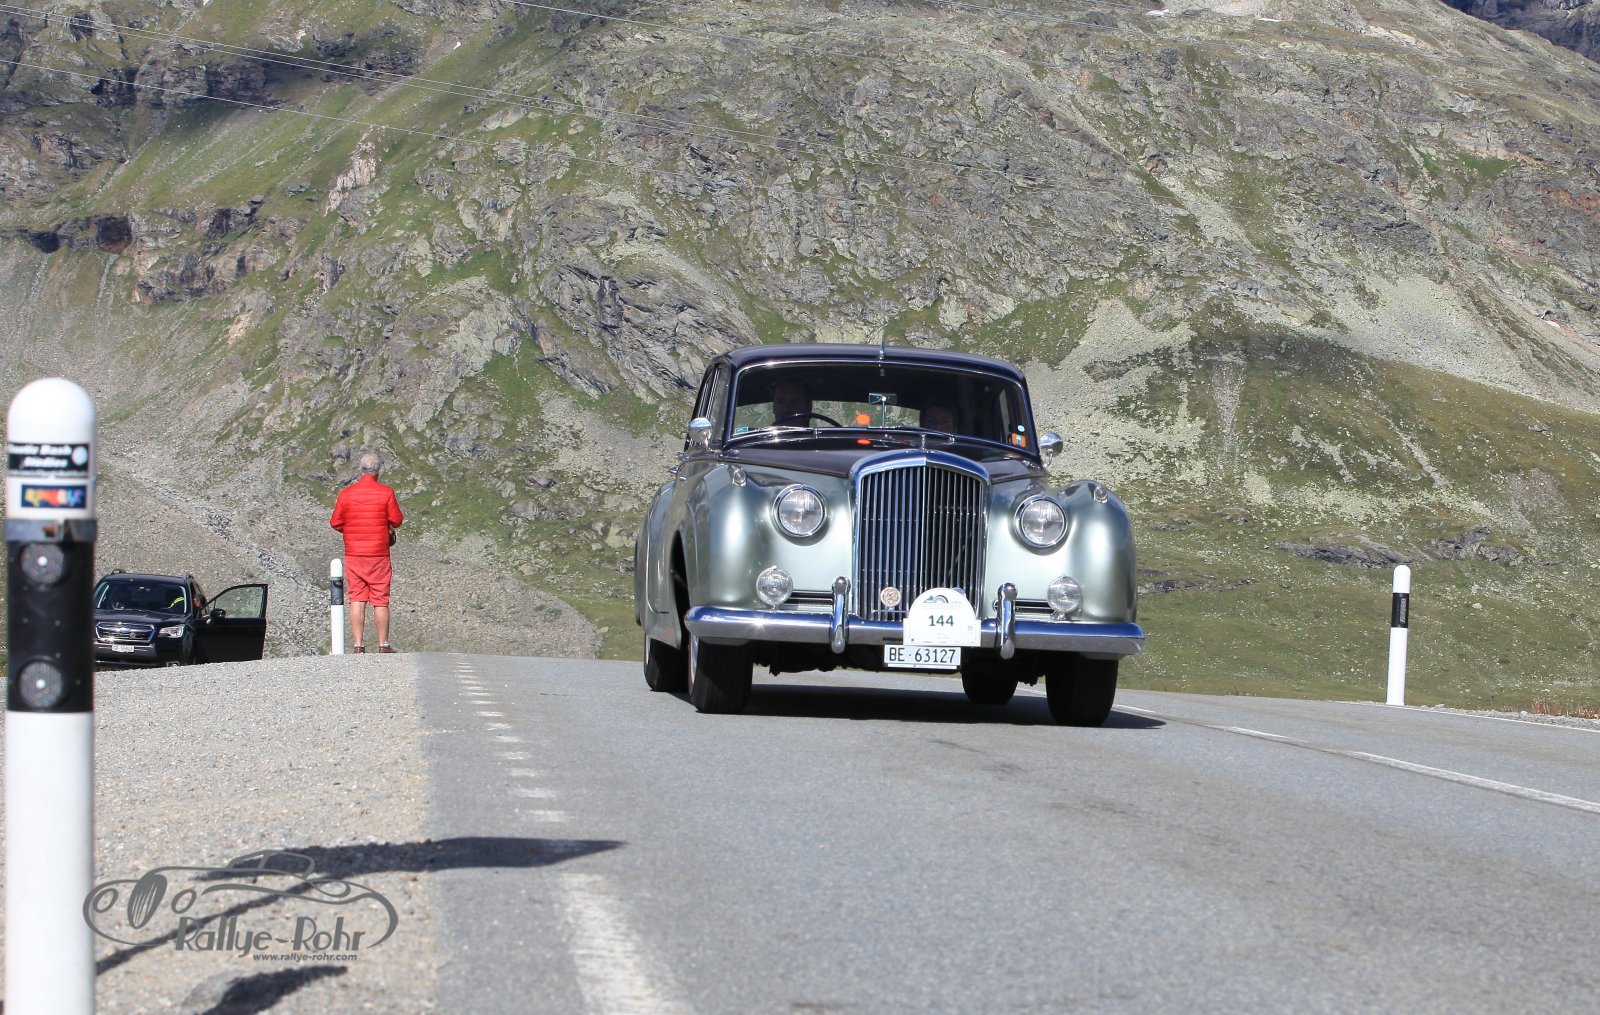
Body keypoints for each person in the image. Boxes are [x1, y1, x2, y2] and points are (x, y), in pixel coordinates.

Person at [330, 453, 405, 653]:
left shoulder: (346, 494)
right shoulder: (386, 493)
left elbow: (335, 522)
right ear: (379, 470)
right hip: (378, 554)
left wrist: (351, 531)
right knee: (380, 598)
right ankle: (383, 644)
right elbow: (397, 520)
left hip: (354, 553)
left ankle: (358, 645)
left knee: (357, 597)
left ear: (360, 469)